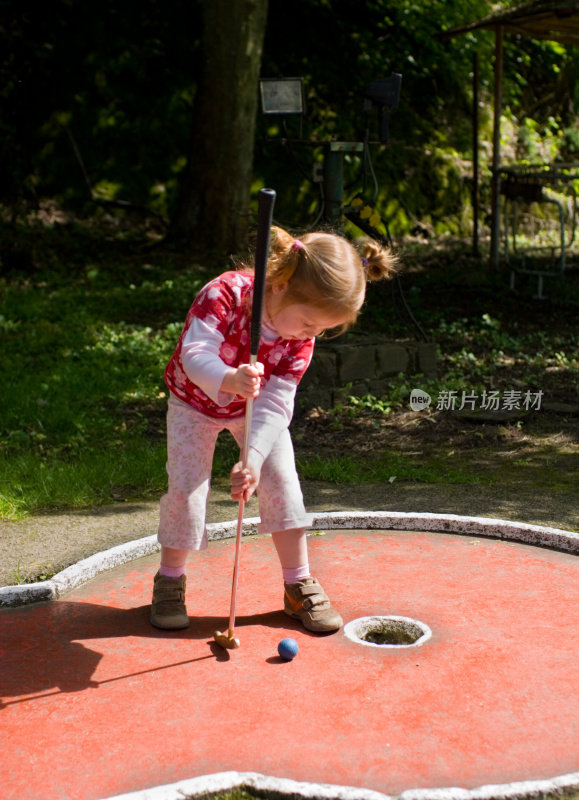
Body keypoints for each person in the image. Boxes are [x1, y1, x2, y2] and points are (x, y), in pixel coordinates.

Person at [150, 225, 396, 632]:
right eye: (309, 322)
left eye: (322, 330)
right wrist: (229, 379)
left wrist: (254, 456)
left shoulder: (301, 339)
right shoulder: (226, 294)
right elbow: (195, 355)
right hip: (194, 401)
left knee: (281, 481)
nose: (311, 334)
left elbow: (278, 400)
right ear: (281, 285)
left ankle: (297, 583)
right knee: (186, 489)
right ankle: (170, 581)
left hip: (257, 407)